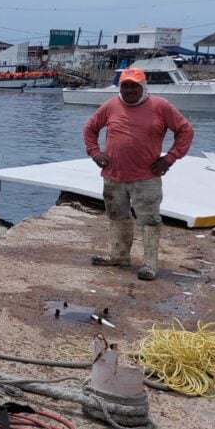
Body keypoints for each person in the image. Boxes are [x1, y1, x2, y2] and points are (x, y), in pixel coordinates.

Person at [82, 67, 194, 280]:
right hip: (114, 176)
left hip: (147, 177)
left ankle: (150, 265)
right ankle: (119, 256)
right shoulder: (110, 105)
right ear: (120, 87)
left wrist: (169, 158)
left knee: (150, 220)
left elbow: (185, 131)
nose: (130, 90)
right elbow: (90, 129)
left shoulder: (161, 106)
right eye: (125, 85)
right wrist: (95, 153)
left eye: (134, 85)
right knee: (117, 216)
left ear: (143, 86)